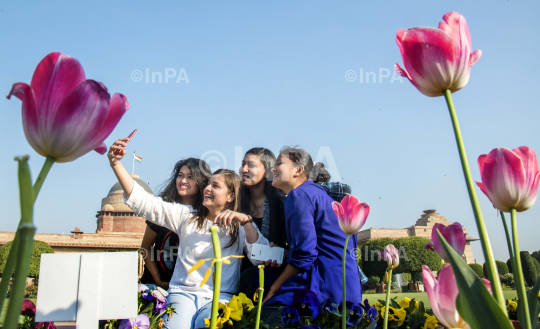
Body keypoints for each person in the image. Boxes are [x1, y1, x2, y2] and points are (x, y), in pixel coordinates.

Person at [108, 138, 268, 329]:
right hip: (181, 294)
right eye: (208, 184)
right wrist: (116, 164)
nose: (207, 188)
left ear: (230, 196)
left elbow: (262, 258)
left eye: (215, 186)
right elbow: (145, 203)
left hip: (221, 298)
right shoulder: (186, 216)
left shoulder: (240, 226)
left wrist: (245, 221)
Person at [260, 146, 361, 327]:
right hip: (347, 291)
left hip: (321, 288)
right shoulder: (317, 194)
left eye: (279, 164)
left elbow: (304, 255)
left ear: (299, 170)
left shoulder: (299, 195)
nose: (272, 169)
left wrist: (274, 290)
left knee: (267, 313)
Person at [139, 158, 210, 291]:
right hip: (155, 286)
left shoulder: (207, 214)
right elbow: (145, 247)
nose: (183, 181)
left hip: (188, 289)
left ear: (202, 182)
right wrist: (158, 280)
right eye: (180, 176)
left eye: (190, 177)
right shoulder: (164, 209)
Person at [237, 147, 287, 298]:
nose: (244, 169)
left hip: (270, 275)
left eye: (251, 165)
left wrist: (283, 253)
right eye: (243, 164)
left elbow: (294, 248)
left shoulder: (281, 204)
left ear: (268, 172)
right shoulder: (236, 203)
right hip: (236, 270)